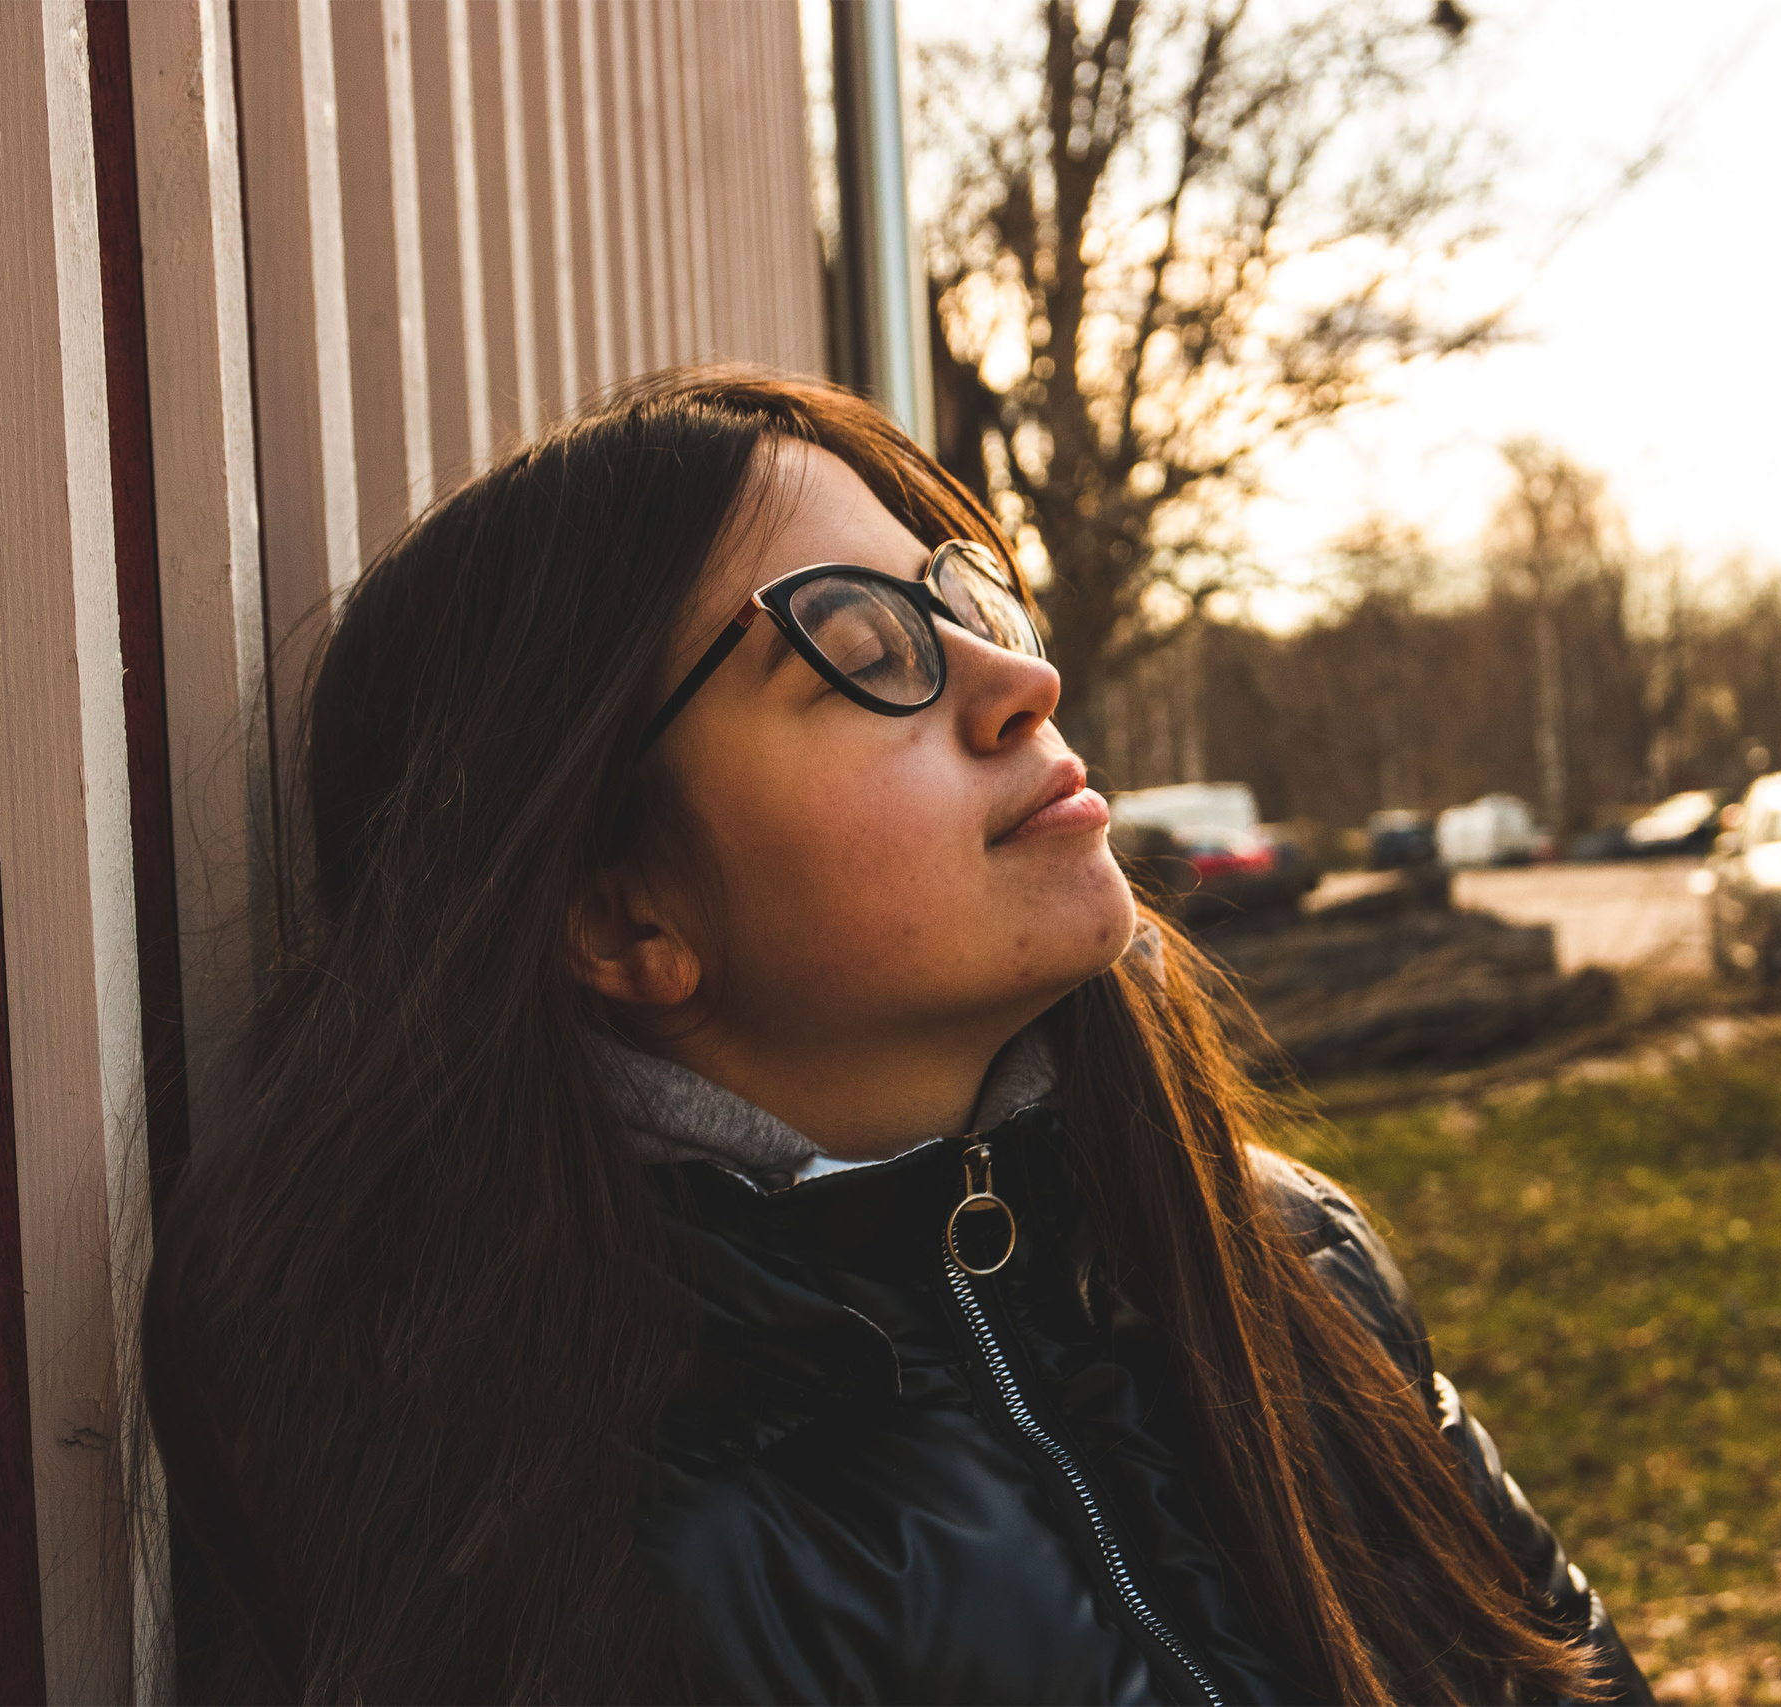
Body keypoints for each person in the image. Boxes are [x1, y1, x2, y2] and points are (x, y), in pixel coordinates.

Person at [140, 367, 1649, 1705]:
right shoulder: (575, 1541)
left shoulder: (1275, 1249)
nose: (1024, 684)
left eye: (967, 599)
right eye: (860, 644)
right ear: (619, 918)